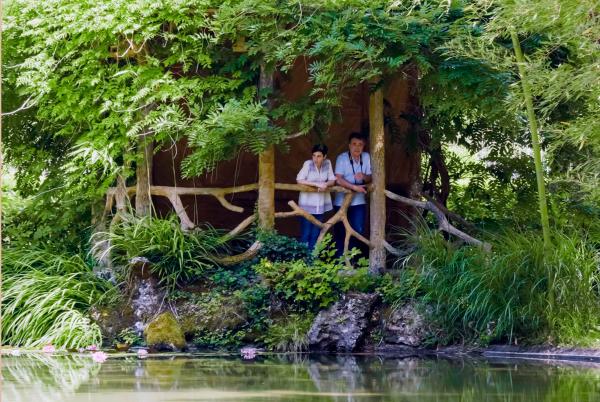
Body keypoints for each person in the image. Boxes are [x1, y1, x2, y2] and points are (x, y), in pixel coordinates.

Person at [333, 132, 372, 256]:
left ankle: (353, 261)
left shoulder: (366, 157)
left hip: (359, 201)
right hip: (341, 201)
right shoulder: (342, 158)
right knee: (340, 231)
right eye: (354, 144)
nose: (357, 147)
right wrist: (353, 187)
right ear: (349, 145)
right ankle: (340, 262)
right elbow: (338, 178)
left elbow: (371, 178)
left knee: (358, 230)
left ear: (364, 146)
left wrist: (363, 176)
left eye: (360, 144)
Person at [296, 144, 336, 249]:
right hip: (307, 205)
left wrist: (326, 184)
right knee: (306, 234)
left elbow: (332, 180)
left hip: (320, 206)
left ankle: (312, 260)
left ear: (324, 157)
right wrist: (317, 184)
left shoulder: (328, 163)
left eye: (319, 156)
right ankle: (302, 261)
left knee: (316, 234)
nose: (315, 159)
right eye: (314, 155)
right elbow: (299, 180)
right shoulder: (308, 164)